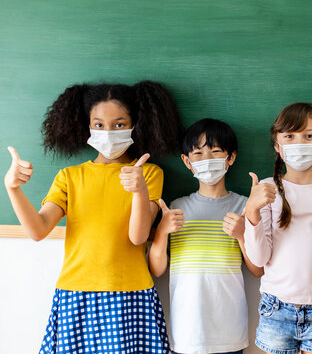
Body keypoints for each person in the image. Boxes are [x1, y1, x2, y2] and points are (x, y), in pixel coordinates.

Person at [4, 81, 183, 354]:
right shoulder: (69, 177)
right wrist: (13, 189)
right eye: (99, 125)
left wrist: (138, 190)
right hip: (76, 293)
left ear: (136, 125)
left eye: (119, 124)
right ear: (86, 126)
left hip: (131, 293)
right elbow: (38, 230)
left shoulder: (148, 173)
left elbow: (137, 237)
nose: (109, 132)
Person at [243, 102, 312, 354]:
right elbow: (260, 259)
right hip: (276, 306)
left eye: (309, 135)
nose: (299, 143)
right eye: (290, 136)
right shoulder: (266, 190)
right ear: (277, 146)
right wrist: (252, 212)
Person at [149, 118, 263, 354]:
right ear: (187, 161)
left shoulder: (244, 206)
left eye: (216, 151)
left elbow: (257, 270)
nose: (207, 160)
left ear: (230, 158)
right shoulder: (176, 207)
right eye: (198, 153)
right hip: (187, 331)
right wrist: (161, 232)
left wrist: (242, 236)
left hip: (229, 330)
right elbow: (157, 270)